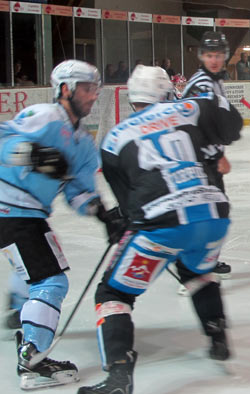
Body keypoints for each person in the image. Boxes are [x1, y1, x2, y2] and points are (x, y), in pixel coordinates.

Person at [77, 65, 242, 394]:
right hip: (211, 219)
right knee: (198, 272)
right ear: (169, 92)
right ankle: (217, 337)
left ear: (132, 99)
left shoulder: (114, 139)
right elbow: (232, 126)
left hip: (161, 226)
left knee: (113, 294)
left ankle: (119, 376)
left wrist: (121, 226)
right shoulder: (190, 106)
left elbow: (128, 207)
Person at [0, 60, 125, 390]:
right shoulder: (44, 116)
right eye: (86, 89)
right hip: (9, 208)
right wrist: (32, 154)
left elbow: (78, 192)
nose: (92, 96)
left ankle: (20, 311)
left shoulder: (84, 143)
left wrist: (103, 213)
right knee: (51, 282)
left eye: (95, 90)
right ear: (65, 89)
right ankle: (33, 356)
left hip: (28, 214)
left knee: (42, 273)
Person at [181, 31, 234, 281]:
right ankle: (194, 264)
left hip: (203, 157)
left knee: (215, 210)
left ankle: (203, 260)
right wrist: (216, 156)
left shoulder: (214, 80)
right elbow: (198, 126)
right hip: (198, 159)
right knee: (211, 211)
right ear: (202, 56)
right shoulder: (202, 84)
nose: (214, 59)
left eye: (218, 55)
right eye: (210, 55)